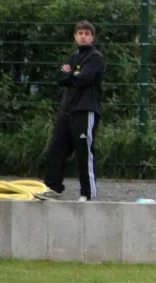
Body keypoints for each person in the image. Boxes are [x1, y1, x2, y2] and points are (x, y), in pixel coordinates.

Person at [37, 20, 106, 201]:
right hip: (67, 110)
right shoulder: (73, 57)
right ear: (75, 36)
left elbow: (84, 78)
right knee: (57, 148)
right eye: (80, 33)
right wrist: (71, 75)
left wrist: (71, 75)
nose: (83, 36)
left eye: (86, 33)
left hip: (86, 109)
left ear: (92, 37)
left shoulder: (96, 58)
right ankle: (53, 188)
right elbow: (60, 77)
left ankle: (87, 193)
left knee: (84, 150)